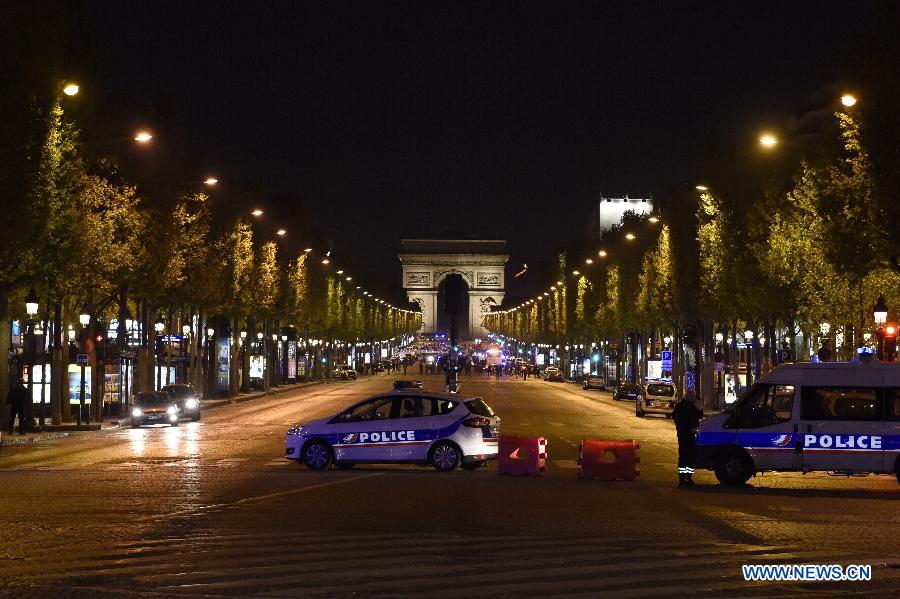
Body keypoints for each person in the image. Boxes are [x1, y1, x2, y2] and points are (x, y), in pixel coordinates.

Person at [672, 387, 703, 487]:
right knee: (685, 457)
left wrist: (699, 407)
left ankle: (688, 478)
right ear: (690, 396)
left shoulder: (690, 405)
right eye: (693, 396)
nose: (695, 398)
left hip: (689, 435)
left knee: (690, 457)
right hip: (685, 435)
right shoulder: (682, 406)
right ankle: (682, 479)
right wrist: (689, 428)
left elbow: (699, 416)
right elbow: (679, 420)